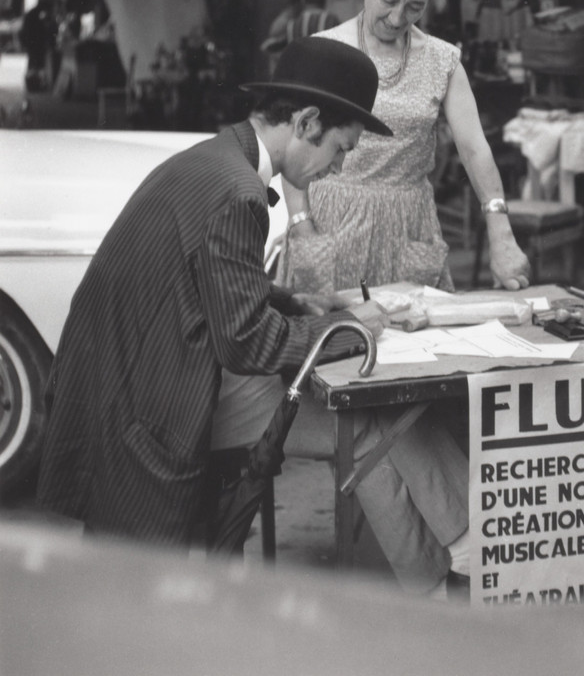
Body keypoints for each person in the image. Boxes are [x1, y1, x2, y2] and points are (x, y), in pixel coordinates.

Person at [35, 37, 389, 548]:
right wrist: (352, 330)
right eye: (341, 149)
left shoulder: (217, 158)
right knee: (145, 592)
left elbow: (201, 276)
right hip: (142, 410)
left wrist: (292, 302)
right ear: (308, 122)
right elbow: (246, 343)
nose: (337, 168)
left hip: (111, 385)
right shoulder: (239, 193)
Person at [278, 0, 532, 597]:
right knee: (357, 395)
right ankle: (468, 542)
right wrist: (304, 232)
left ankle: (436, 570)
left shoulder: (442, 60)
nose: (398, 18)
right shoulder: (327, 50)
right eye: (389, 0)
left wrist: (500, 231)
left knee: (414, 392)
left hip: (407, 230)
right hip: (330, 226)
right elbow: (295, 154)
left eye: (414, 8)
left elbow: (475, 150)